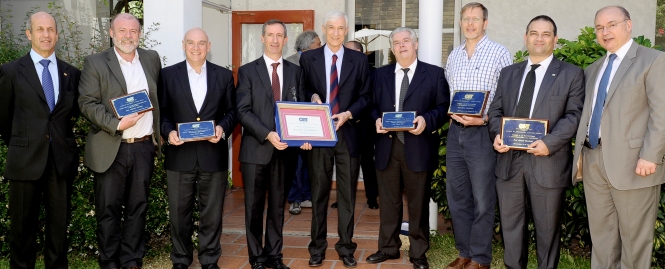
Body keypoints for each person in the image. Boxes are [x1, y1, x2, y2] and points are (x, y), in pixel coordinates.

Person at [571, 6, 665, 269]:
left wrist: (651, 156)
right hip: (593, 161)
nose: (605, 32)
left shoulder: (653, 60)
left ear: (628, 25)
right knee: (602, 238)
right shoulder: (593, 69)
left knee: (635, 242)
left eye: (611, 24)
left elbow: (662, 114)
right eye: (599, 27)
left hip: (635, 164)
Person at [488, 15, 584, 269]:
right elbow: (495, 112)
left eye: (545, 34)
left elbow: (574, 116)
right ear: (525, 37)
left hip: (547, 162)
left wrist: (549, 143)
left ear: (555, 39)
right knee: (511, 227)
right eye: (533, 33)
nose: (539, 38)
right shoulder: (508, 73)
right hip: (508, 162)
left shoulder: (571, 74)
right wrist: (497, 136)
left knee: (547, 229)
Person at [78, 13, 162, 269]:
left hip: (143, 146)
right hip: (110, 146)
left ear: (140, 34)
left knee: (138, 206)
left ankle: (131, 258)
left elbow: (158, 98)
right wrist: (116, 124)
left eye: (133, 31)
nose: (128, 35)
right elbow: (86, 103)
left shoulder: (151, 59)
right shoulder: (95, 62)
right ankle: (109, 260)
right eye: (122, 30)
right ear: (112, 33)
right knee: (108, 209)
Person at [0, 11, 81, 269]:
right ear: (29, 34)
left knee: (59, 228)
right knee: (22, 230)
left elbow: (72, 115)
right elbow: (3, 120)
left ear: (57, 34)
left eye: (50, 30)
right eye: (40, 29)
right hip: (25, 161)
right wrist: (22, 143)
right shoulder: (10, 72)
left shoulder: (72, 74)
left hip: (60, 161)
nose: (46, 34)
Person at [365, 27, 449, 269]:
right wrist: (376, 120)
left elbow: (443, 107)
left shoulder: (433, 74)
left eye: (406, 41)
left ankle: (418, 252)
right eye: (397, 43)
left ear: (416, 44)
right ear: (392, 49)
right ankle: (388, 248)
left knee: (418, 204)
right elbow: (370, 105)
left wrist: (426, 120)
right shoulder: (379, 75)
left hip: (418, 147)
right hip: (386, 147)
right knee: (389, 202)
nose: (402, 46)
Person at [158, 27, 237, 269]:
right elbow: (163, 114)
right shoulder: (168, 75)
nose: (196, 47)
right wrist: (169, 133)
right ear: (183, 45)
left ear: (209, 46)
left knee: (211, 214)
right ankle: (181, 260)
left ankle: (209, 259)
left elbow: (232, 112)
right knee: (179, 215)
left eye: (201, 43)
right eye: (191, 42)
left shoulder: (223, 76)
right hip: (179, 155)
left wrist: (222, 129)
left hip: (213, 156)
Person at [299, 10, 371, 268]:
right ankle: (317, 248)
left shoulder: (359, 60)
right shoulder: (308, 59)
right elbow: (303, 90)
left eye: (341, 28)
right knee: (318, 193)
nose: (336, 33)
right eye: (331, 27)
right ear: (324, 28)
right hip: (319, 136)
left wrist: (349, 114)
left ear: (347, 29)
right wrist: (313, 99)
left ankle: (346, 247)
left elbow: (366, 96)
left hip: (348, 133)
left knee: (347, 196)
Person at [236, 19, 309, 269]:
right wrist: (267, 134)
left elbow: (300, 110)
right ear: (262, 38)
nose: (275, 40)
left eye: (280, 35)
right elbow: (242, 111)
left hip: (286, 152)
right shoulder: (247, 71)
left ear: (286, 40)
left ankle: (274, 256)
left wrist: (304, 135)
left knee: (278, 207)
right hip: (256, 149)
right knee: (254, 208)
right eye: (271, 35)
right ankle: (256, 258)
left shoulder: (295, 71)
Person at [443, 2, 512, 269]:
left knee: (483, 198)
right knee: (457, 195)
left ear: (485, 23)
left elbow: (506, 98)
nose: (470, 23)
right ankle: (464, 251)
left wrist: (483, 119)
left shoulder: (499, 53)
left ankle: (481, 258)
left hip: (483, 133)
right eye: (466, 18)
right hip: (455, 133)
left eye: (476, 19)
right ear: (460, 23)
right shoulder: (454, 56)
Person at [284, 30, 321, 215]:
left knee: (309, 159)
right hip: (293, 119)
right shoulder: (289, 62)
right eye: (317, 44)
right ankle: (295, 199)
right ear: (307, 47)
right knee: (295, 161)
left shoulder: (316, 62)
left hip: (313, 119)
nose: (320, 48)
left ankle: (307, 195)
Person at [344, 40, 379, 210]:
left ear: (359, 53)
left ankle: (372, 197)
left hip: (366, 125)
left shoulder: (374, 74)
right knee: (348, 164)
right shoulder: (342, 72)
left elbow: (373, 100)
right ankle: (345, 198)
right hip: (347, 125)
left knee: (367, 162)